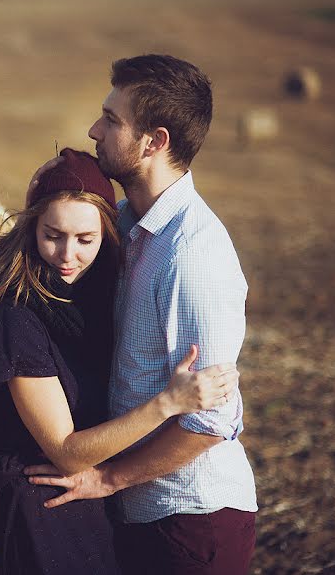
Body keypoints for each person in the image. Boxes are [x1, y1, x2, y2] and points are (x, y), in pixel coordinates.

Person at [25, 54, 258, 575]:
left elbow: (209, 421)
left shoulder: (192, 255)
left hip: (192, 523)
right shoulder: (128, 225)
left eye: (111, 120)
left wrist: (106, 479)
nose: (94, 130)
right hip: (143, 516)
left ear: (154, 141)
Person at [0, 148, 239, 575]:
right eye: (52, 234)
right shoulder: (17, 318)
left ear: (106, 235)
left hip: (93, 502)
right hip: (43, 499)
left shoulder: (100, 293)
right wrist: (168, 403)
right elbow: (66, 453)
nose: (66, 255)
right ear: (32, 227)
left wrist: (64, 175)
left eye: (85, 239)